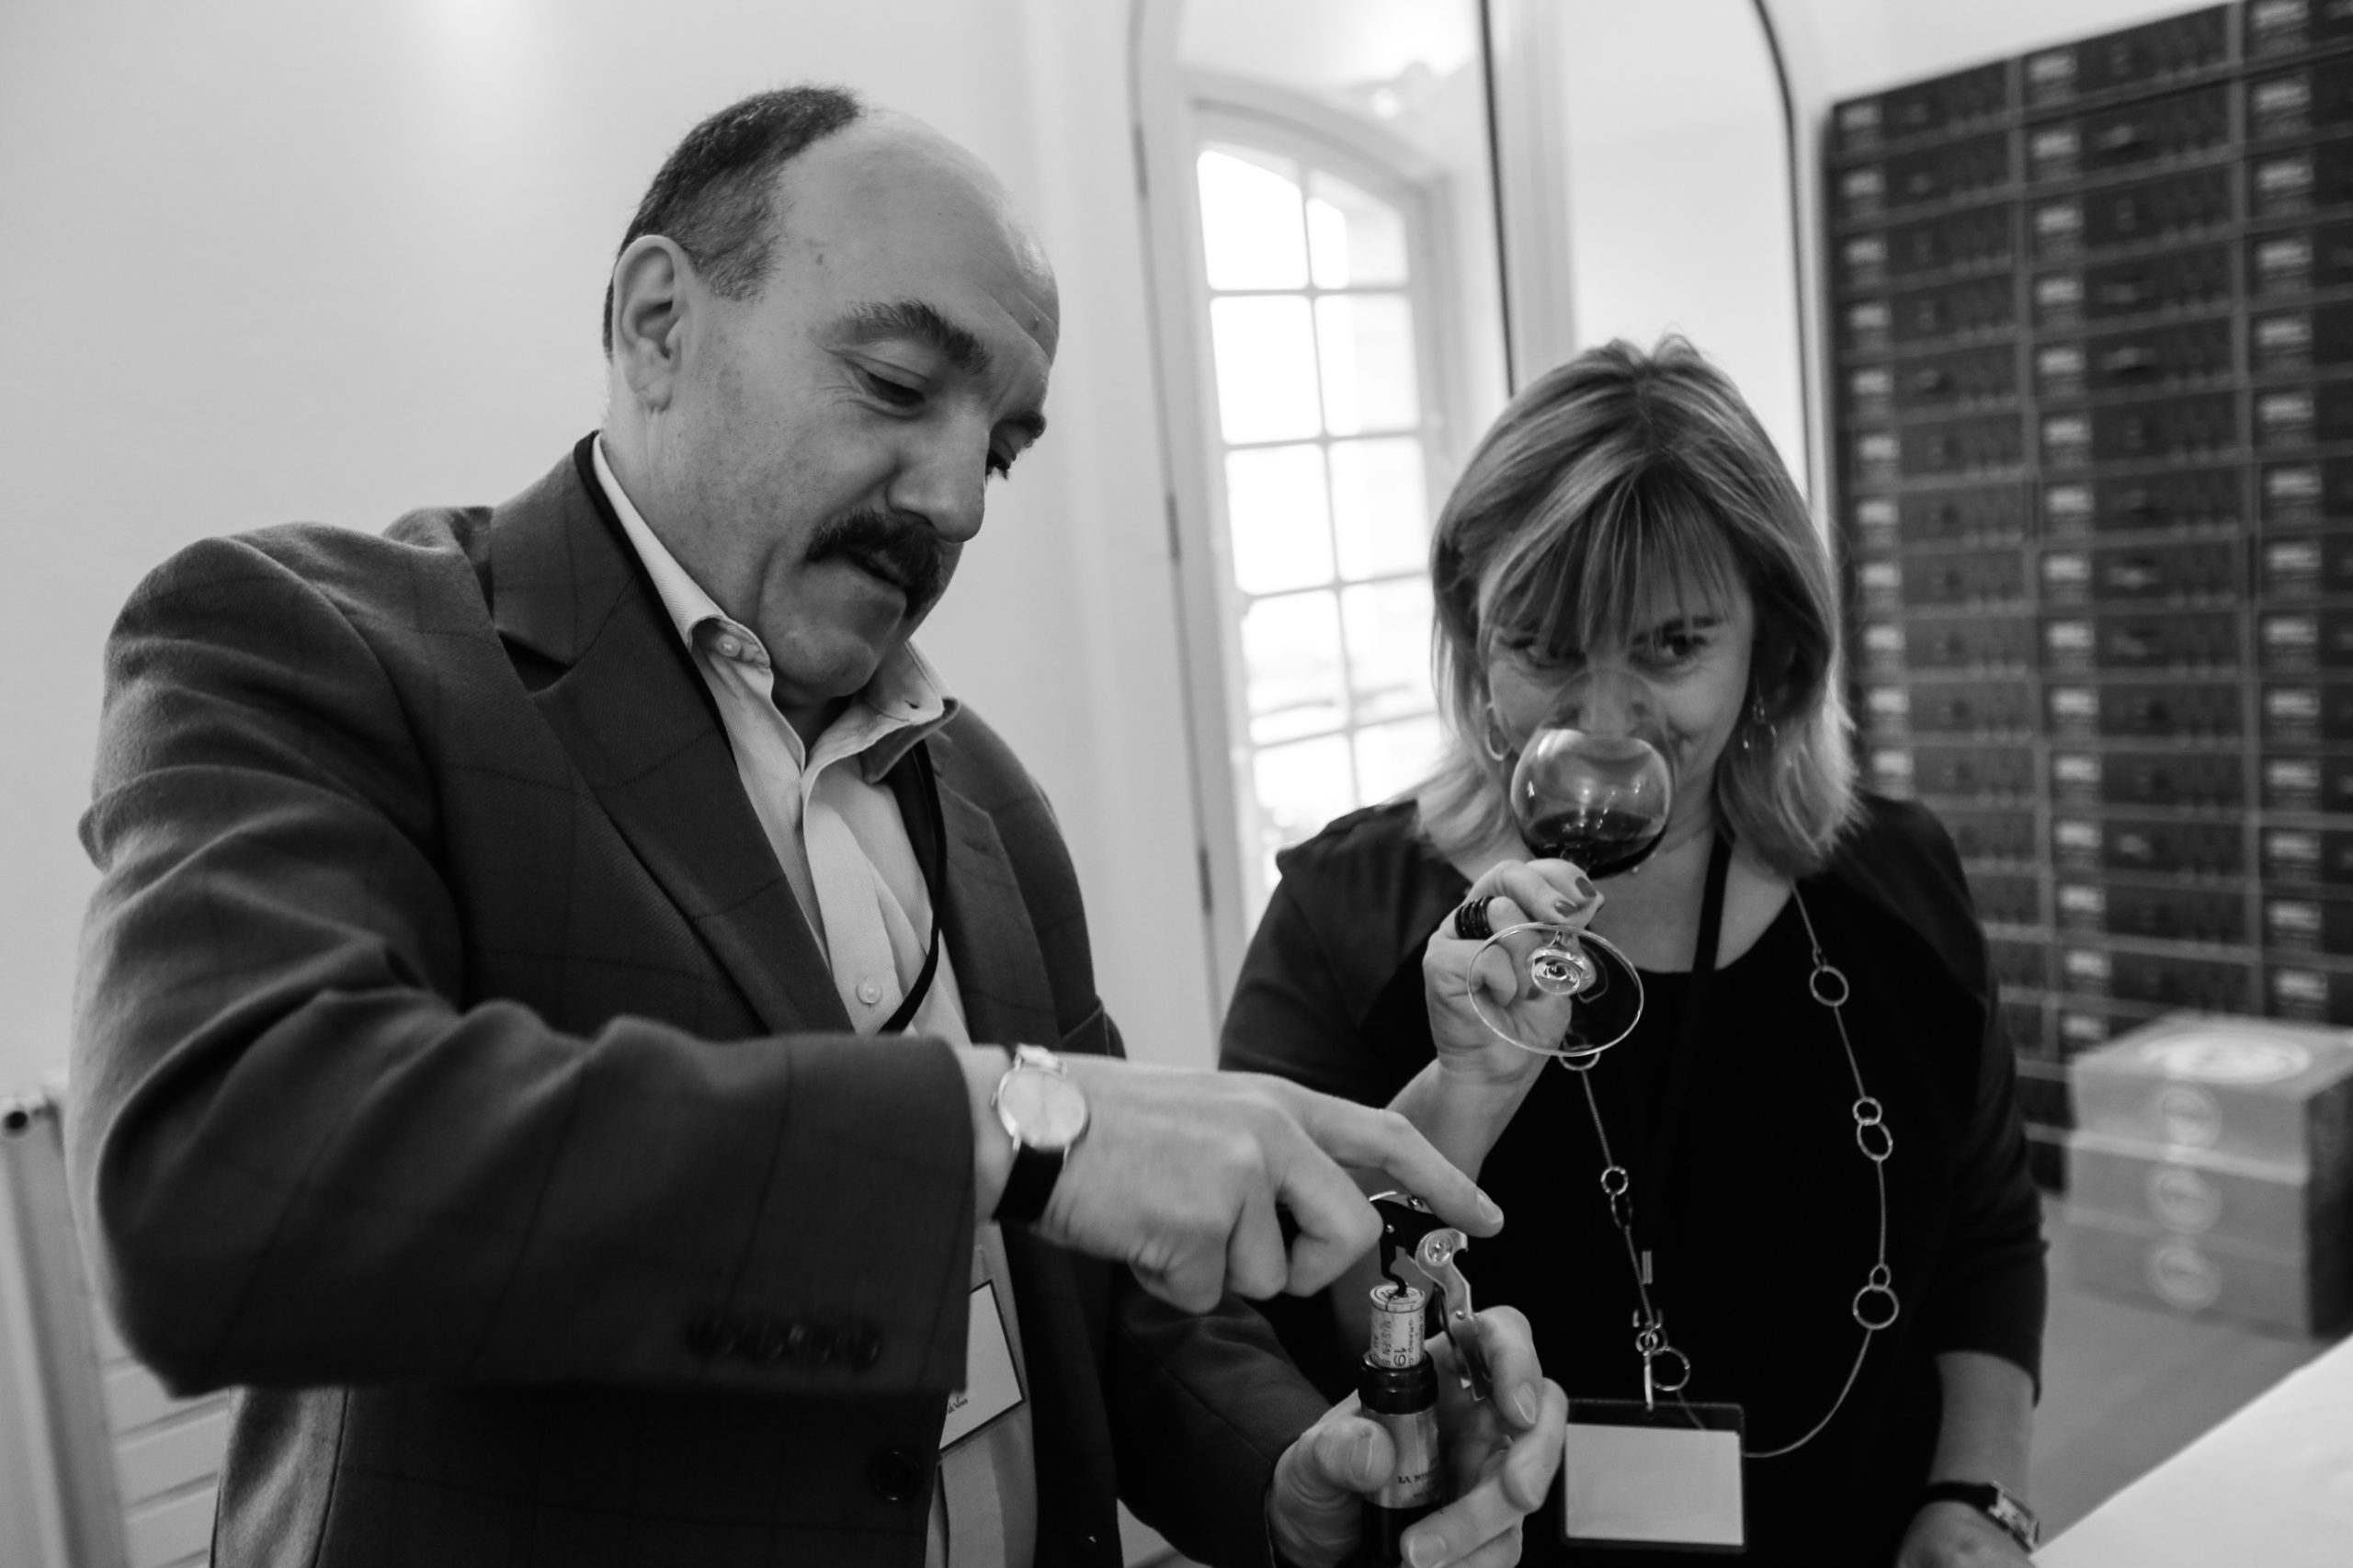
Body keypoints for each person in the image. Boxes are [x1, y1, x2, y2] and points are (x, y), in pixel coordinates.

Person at [67, 85, 1570, 1568]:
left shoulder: (985, 797)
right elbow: (214, 1183)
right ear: (658, 323)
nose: (959, 501)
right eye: (900, 386)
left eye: (1002, 447)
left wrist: (1293, 1485)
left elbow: (1102, 1306)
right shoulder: (321, 649)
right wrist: (995, 1120)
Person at [1222, 340, 2047, 1567]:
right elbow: (1268, 1307)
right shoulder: (1349, 918)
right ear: (1474, 641)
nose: (1604, 722)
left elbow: (1987, 1233)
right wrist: (1460, 1098)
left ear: (1772, 648)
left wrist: (1978, 1502)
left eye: (1670, 648)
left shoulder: (1897, 883)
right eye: (1545, 649)